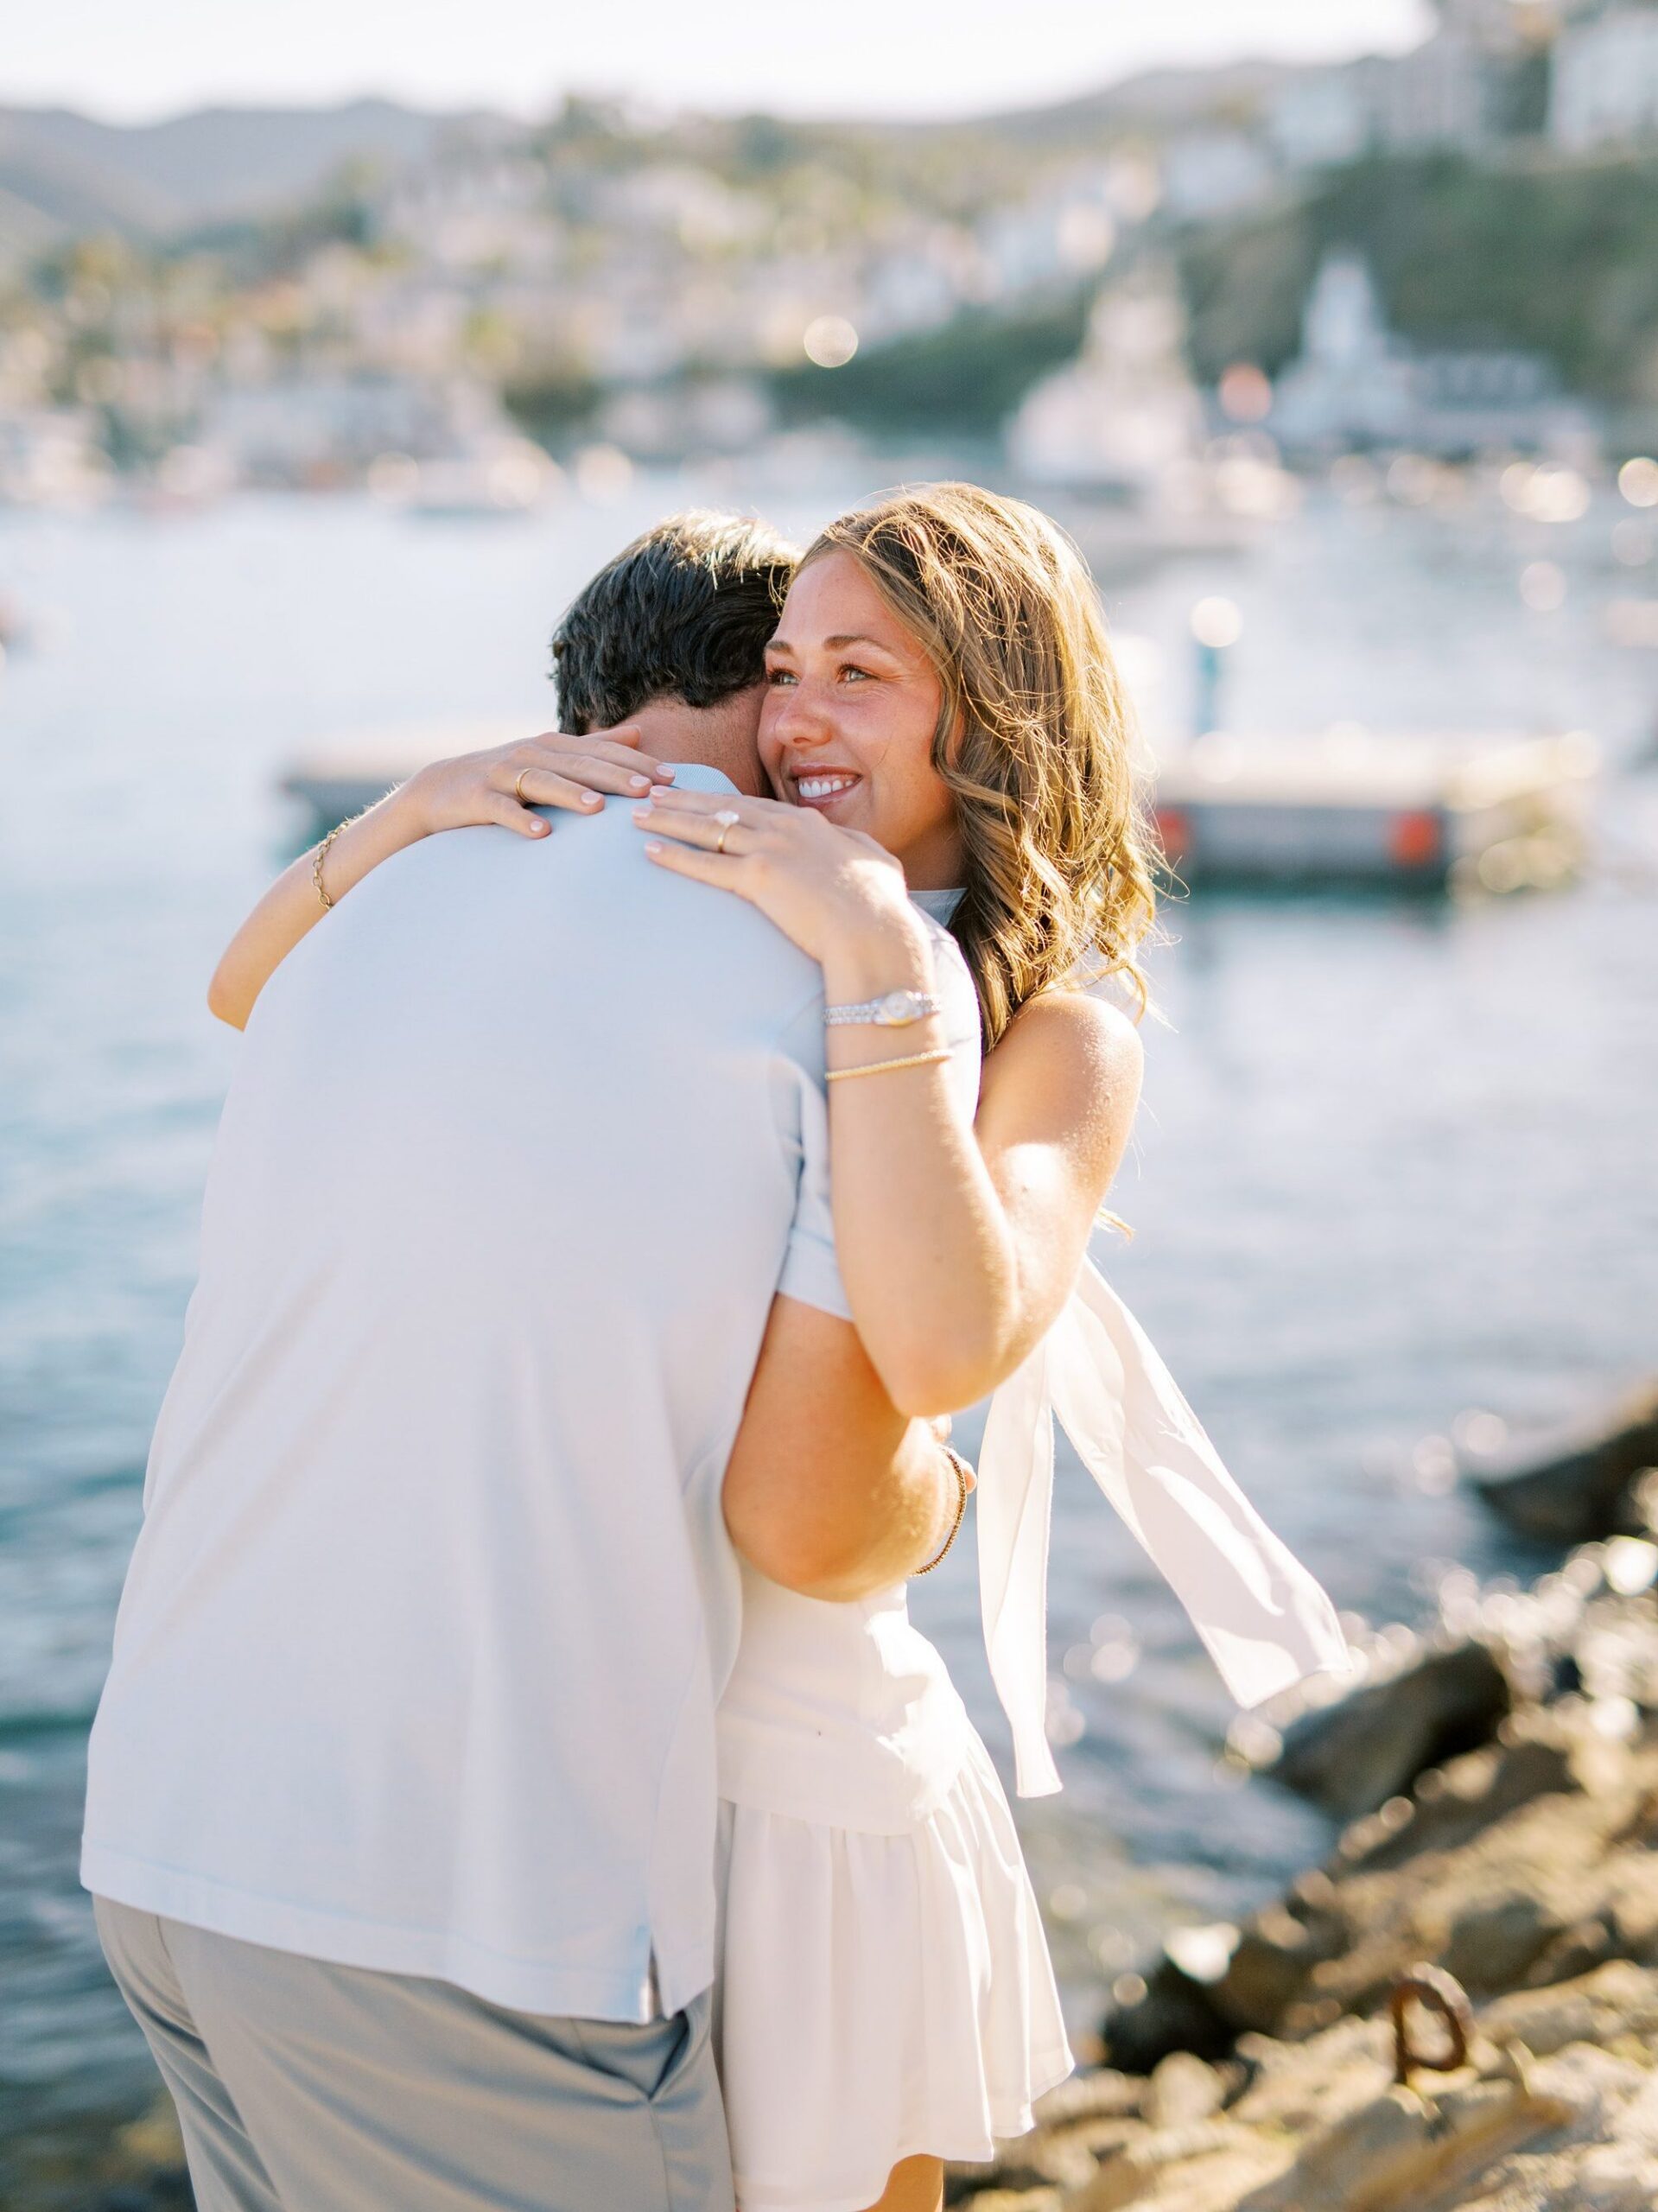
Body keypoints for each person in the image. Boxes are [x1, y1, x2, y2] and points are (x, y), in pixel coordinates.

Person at [192, 486, 1351, 2212]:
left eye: (857, 672)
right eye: (784, 666)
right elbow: (251, 995)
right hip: (572, 1759)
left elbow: (926, 1362)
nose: (797, 716)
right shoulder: (724, 925)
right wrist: (408, 817)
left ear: (996, 706)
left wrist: (886, 960)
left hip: (796, 1772)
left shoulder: (1053, 1024)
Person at [82, 512, 981, 2212]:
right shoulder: (828, 945)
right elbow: (819, 1499)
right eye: (801, 680)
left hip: (167, 1836)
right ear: (762, 698)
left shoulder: (367, 903)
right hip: (459, 1904)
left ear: (573, 709)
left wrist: (411, 806)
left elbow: (232, 988)